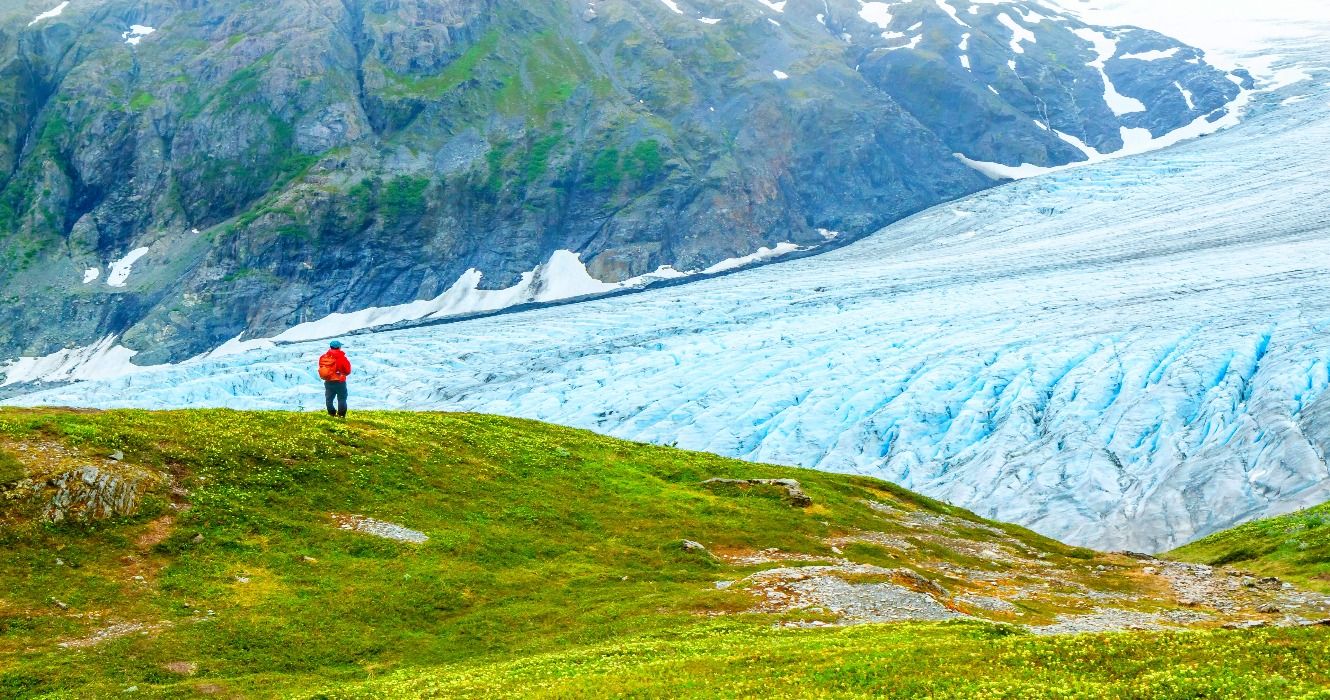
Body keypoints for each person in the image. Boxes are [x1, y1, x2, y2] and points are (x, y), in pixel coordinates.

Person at [318, 340, 352, 418]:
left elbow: (321, 367)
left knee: (329, 399)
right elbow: (347, 370)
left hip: (328, 381)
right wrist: (343, 373)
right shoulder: (341, 358)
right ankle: (341, 415)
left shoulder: (323, 357)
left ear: (331, 347)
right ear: (339, 347)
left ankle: (332, 413)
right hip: (340, 381)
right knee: (342, 398)